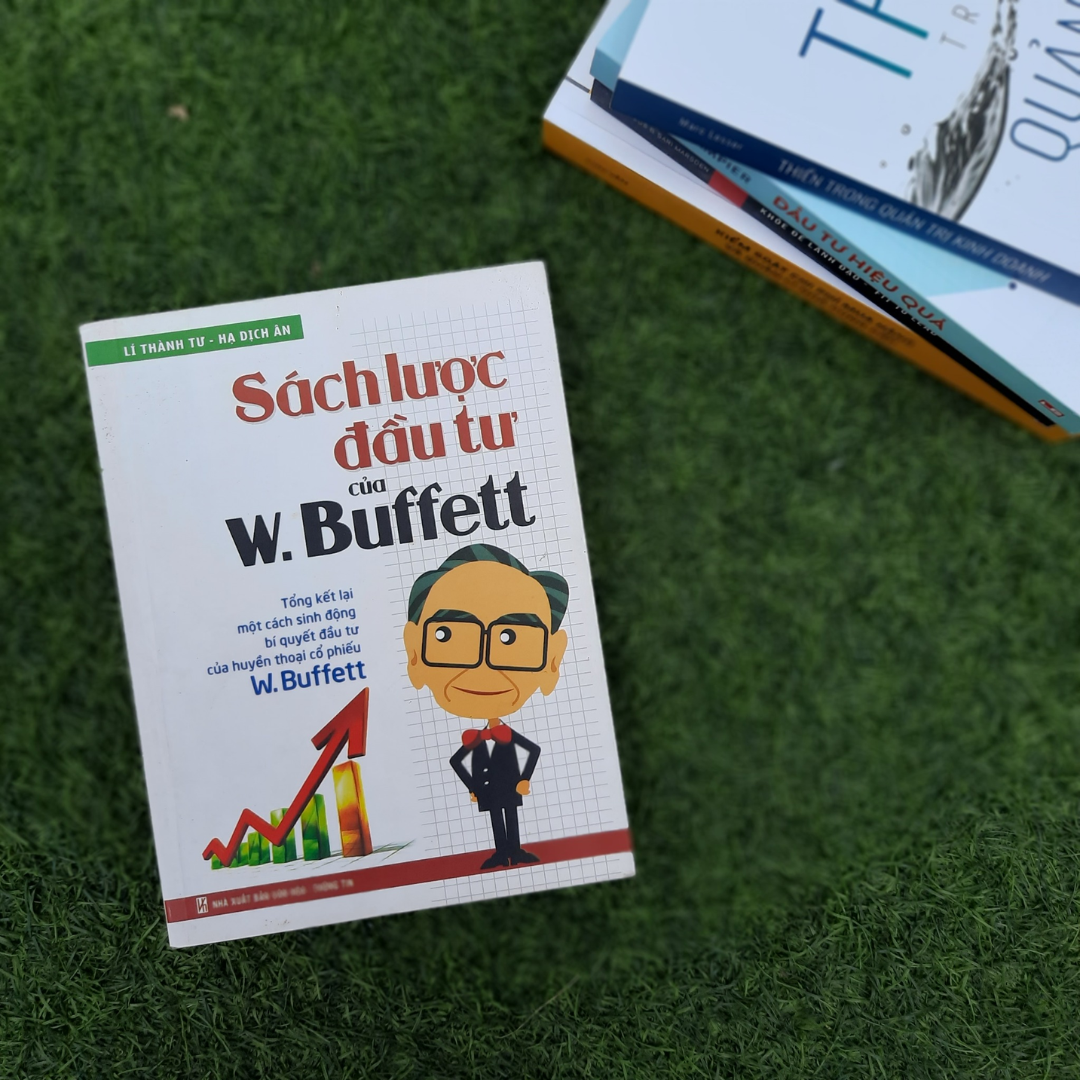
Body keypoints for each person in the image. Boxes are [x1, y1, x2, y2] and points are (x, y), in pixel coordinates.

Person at [403, 544, 569, 869]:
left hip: (510, 785)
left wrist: (524, 779)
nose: (482, 668)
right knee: (496, 819)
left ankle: (514, 850)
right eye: (446, 635)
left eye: (512, 638)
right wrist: (474, 787)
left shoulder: (506, 734)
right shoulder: (475, 740)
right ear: (414, 654)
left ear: (552, 660)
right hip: (488, 789)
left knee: (511, 818)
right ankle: (499, 851)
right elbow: (457, 762)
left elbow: (532, 751)